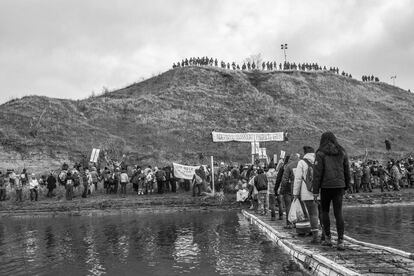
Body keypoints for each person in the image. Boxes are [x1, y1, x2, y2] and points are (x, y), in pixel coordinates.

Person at [313, 132, 350, 251]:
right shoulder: (342, 151)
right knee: (338, 212)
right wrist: (347, 186)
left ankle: (328, 238)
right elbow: (347, 170)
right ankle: (340, 240)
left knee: (324, 211)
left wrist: (315, 191)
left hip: (326, 186)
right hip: (339, 186)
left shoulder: (320, 153)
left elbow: (317, 174)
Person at [293, 146, 321, 244]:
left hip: (308, 192)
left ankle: (315, 237)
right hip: (321, 191)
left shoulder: (302, 162)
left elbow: (298, 179)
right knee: (322, 213)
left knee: (313, 214)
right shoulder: (319, 160)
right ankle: (326, 236)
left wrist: (295, 193)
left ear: (304, 152)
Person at [280, 155, 299, 228]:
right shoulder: (303, 164)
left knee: (289, 206)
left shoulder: (288, 166)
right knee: (300, 206)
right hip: (302, 188)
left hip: (291, 188)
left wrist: (281, 190)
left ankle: (289, 223)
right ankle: (300, 223)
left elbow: (284, 180)